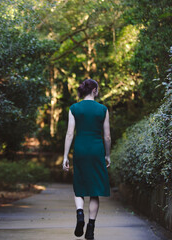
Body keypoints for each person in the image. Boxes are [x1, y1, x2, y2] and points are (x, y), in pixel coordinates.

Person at [63, 78, 111, 239]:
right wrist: (108, 155)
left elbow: (70, 133)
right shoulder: (103, 109)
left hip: (81, 149)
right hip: (96, 150)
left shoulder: (74, 108)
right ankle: (90, 228)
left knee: (79, 185)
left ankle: (79, 215)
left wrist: (65, 156)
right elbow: (108, 137)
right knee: (94, 191)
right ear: (94, 91)